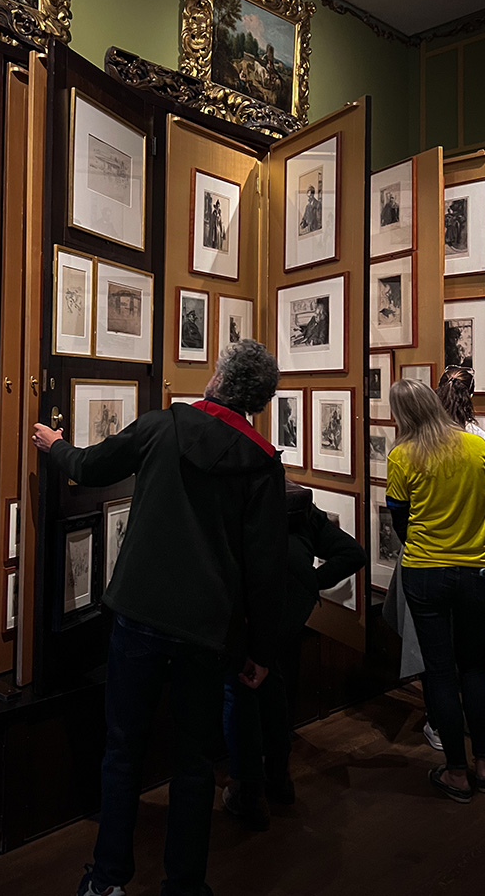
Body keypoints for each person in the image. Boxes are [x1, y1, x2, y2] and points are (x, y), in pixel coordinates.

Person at [32, 340, 288, 896]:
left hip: (139, 615)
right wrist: (261, 652)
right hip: (206, 629)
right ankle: (185, 886)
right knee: (193, 762)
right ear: (261, 400)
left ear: (217, 375)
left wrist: (55, 446)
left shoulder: (163, 425)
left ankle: (107, 880)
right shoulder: (262, 462)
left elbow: (92, 467)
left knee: (123, 750)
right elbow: (264, 571)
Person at [222, 479, 366, 830]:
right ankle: (279, 778)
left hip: (252, 605)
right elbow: (353, 554)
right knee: (273, 682)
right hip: (290, 606)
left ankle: (248, 791)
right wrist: (309, 582)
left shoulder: (236, 497)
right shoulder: (297, 504)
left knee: (241, 687)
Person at [385, 379, 485, 803]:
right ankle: (484, 764)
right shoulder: (477, 448)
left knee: (439, 671)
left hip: (426, 571)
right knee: (473, 667)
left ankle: (456, 771)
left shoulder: (402, 455)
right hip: (477, 568)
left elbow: (399, 519)